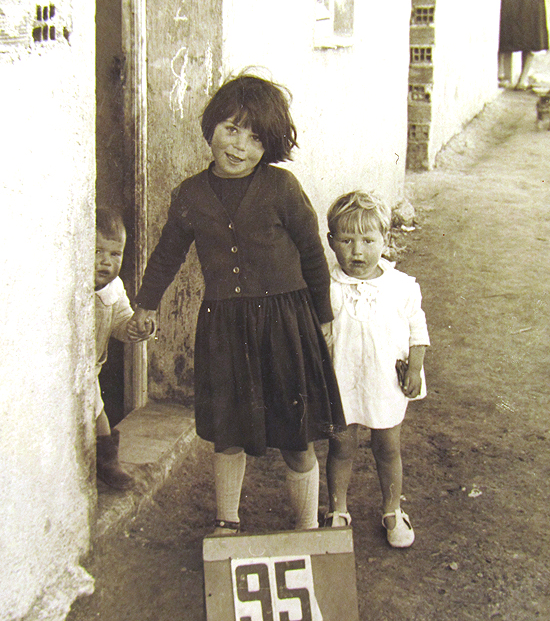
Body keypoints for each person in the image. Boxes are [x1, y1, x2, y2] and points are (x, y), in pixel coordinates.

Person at [132, 73, 345, 534]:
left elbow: (312, 252)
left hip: (286, 323)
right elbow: (168, 253)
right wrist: (146, 304)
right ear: (211, 126)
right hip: (225, 327)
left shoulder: (283, 188)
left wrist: (323, 317)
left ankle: (307, 527)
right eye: (232, 129)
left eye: (255, 138)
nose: (240, 146)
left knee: (295, 433)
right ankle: (227, 521)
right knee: (228, 433)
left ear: (269, 147)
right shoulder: (190, 195)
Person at [323, 191, 429, 548]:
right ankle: (337, 509)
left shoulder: (402, 287)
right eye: (347, 240)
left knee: (388, 447)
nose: (358, 251)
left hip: (385, 381)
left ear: (385, 240)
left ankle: (392, 510)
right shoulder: (328, 288)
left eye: (368, 241)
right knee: (341, 446)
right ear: (331, 241)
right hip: (343, 381)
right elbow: (320, 334)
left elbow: (418, 330)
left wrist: (415, 368)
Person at [95, 207, 154, 489]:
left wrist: (135, 329)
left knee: (97, 413)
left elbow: (120, 321)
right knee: (93, 414)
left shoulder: (114, 287)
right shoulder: (72, 285)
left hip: (91, 370)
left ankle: (107, 464)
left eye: (114, 254)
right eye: (97, 251)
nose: (105, 262)